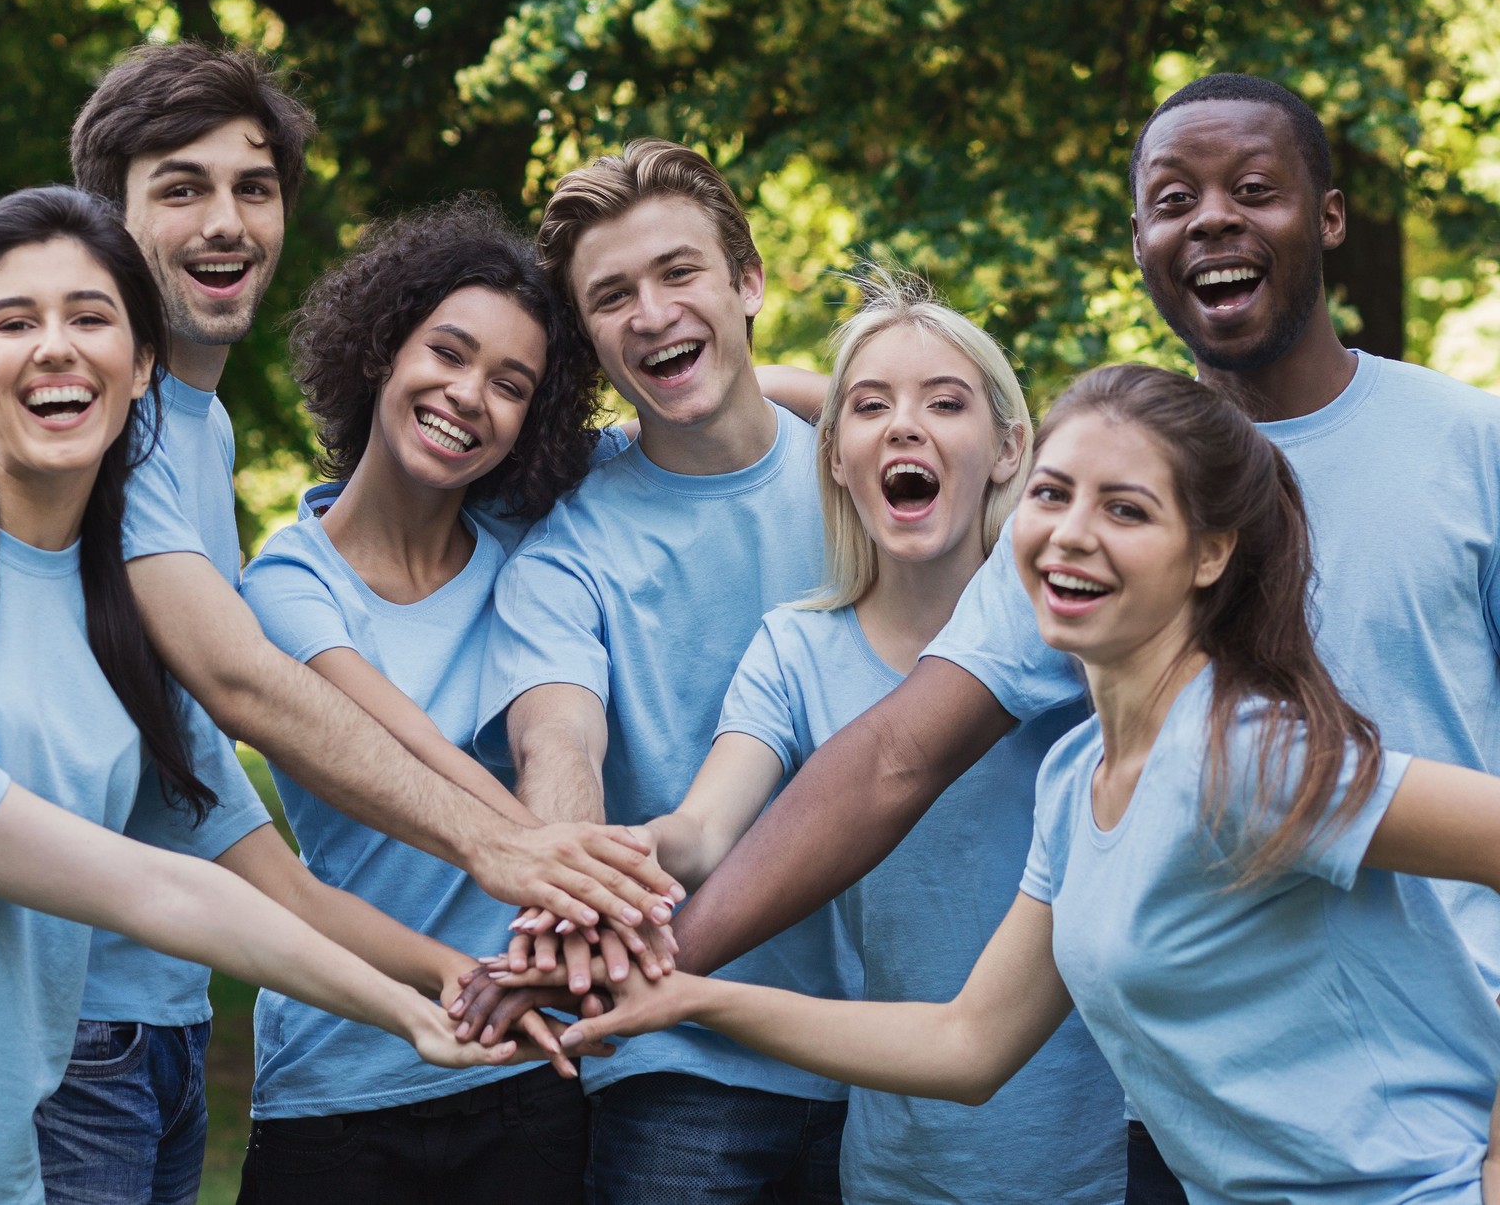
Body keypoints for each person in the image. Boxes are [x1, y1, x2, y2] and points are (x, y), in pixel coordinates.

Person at [662, 74, 1500, 1201]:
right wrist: (667, 974)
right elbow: (896, 775)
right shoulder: (1079, 742)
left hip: (1429, 1105)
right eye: (1172, 198)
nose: (1211, 219)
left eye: (1255, 189)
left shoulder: (1459, 452)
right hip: (1195, 1119)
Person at [523, 363, 1500, 1204]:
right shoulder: (1080, 777)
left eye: (1126, 509)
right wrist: (688, 997)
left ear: (1209, 554)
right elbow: (967, 1046)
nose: (1072, 534)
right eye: (1054, 494)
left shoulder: (1246, 757)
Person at [0, 188, 523, 1205]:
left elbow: (257, 889)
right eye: (16, 323)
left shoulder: (142, 618)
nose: (55, 348)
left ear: (144, 366)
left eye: (91, 318)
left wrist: (448, 983)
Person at [47, 42, 659, 1196]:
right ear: (104, 218)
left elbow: (224, 819)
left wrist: (856, 384)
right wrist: (519, 852)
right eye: (181, 188)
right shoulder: (110, 425)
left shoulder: (199, 425)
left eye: (255, 188)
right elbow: (245, 688)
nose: (226, 222)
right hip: (83, 1031)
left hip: (169, 1015)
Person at [635, 273, 1122, 1203]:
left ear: (1011, 448)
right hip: (897, 1165)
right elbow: (701, 833)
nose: (906, 426)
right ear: (831, 456)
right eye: (871, 409)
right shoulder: (794, 647)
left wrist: (800, 385)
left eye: (947, 403)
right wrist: (621, 859)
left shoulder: (1071, 622)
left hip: (1094, 1158)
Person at [476, 139, 855, 1204]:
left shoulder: (872, 477)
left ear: (747, 282)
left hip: (888, 1039)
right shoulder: (569, 547)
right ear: (588, 340)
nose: (650, 313)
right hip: (678, 1060)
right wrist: (578, 874)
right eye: (611, 296)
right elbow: (558, 737)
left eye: (678, 273)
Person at [233, 197, 626, 1202]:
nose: (467, 396)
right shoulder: (285, 581)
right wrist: (559, 863)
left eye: (510, 385)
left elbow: (728, 411)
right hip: (336, 1081)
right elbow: (395, 746)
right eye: (446, 353)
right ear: (379, 350)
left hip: (525, 1068)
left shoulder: (536, 557)